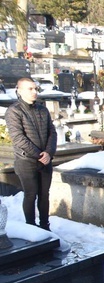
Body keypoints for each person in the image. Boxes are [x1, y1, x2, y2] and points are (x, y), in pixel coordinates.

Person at [5, 77, 57, 230]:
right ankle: (31, 227)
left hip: (45, 160)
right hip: (26, 160)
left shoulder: (42, 109)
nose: (34, 92)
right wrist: (39, 155)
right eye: (30, 89)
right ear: (19, 91)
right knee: (31, 194)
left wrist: (48, 152)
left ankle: (45, 226)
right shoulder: (14, 111)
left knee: (44, 195)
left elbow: (52, 132)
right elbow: (18, 138)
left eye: (36, 89)